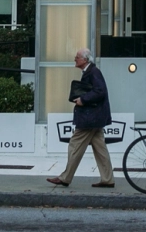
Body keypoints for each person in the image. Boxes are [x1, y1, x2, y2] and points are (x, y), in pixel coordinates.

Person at [48, 48, 114, 189]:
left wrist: (83, 100)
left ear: (85, 60)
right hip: (96, 118)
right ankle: (108, 179)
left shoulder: (93, 72)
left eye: (77, 57)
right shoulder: (91, 71)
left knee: (75, 145)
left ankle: (65, 178)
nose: (75, 59)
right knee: (100, 149)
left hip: (90, 118)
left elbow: (100, 91)